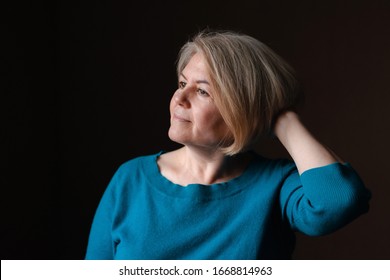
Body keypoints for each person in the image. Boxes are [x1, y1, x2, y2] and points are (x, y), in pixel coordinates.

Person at [85, 30, 371, 260]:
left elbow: (340, 202)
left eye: (201, 91)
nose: (179, 98)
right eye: (182, 82)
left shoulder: (275, 184)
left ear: (241, 109)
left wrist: (282, 119)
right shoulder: (130, 179)